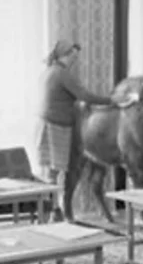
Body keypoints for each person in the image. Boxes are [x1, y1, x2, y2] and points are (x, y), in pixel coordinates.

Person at [36, 39, 116, 220]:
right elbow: (85, 96)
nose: (75, 59)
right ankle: (55, 212)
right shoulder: (62, 74)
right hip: (56, 126)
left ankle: (53, 211)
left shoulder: (48, 72)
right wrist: (112, 101)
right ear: (64, 55)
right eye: (73, 56)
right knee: (56, 172)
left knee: (51, 173)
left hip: (44, 124)